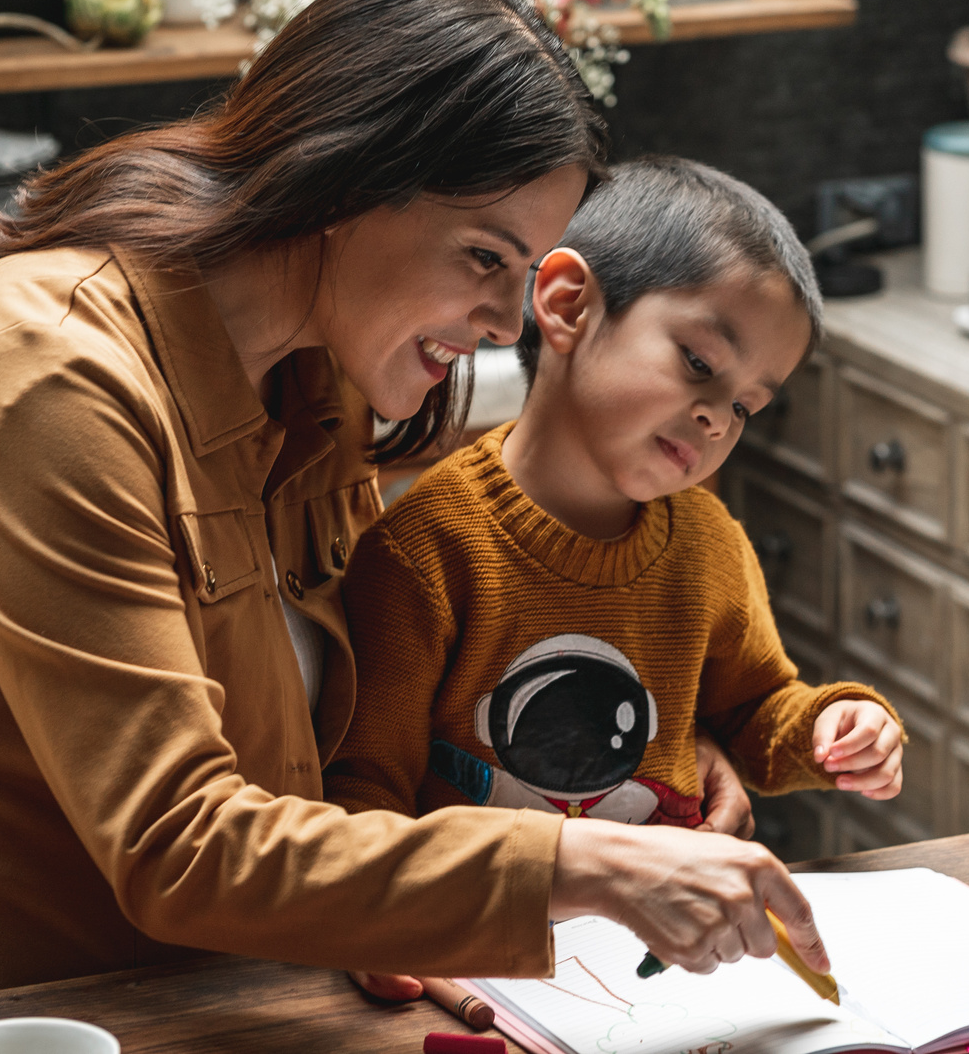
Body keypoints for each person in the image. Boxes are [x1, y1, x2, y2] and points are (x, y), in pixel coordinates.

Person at [0, 0, 833, 1025]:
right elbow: (181, 843)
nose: (507, 321)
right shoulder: (40, 383)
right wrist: (589, 858)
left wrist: (652, 745)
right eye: (482, 256)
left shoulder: (313, 376)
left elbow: (353, 729)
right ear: (340, 179)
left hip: (223, 1005)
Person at [324, 158, 906, 991]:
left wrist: (835, 725)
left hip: (658, 969)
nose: (716, 417)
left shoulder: (709, 542)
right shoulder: (425, 551)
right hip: (475, 966)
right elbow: (361, 793)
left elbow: (753, 709)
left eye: (745, 406)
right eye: (701, 363)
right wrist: (384, 933)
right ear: (567, 306)